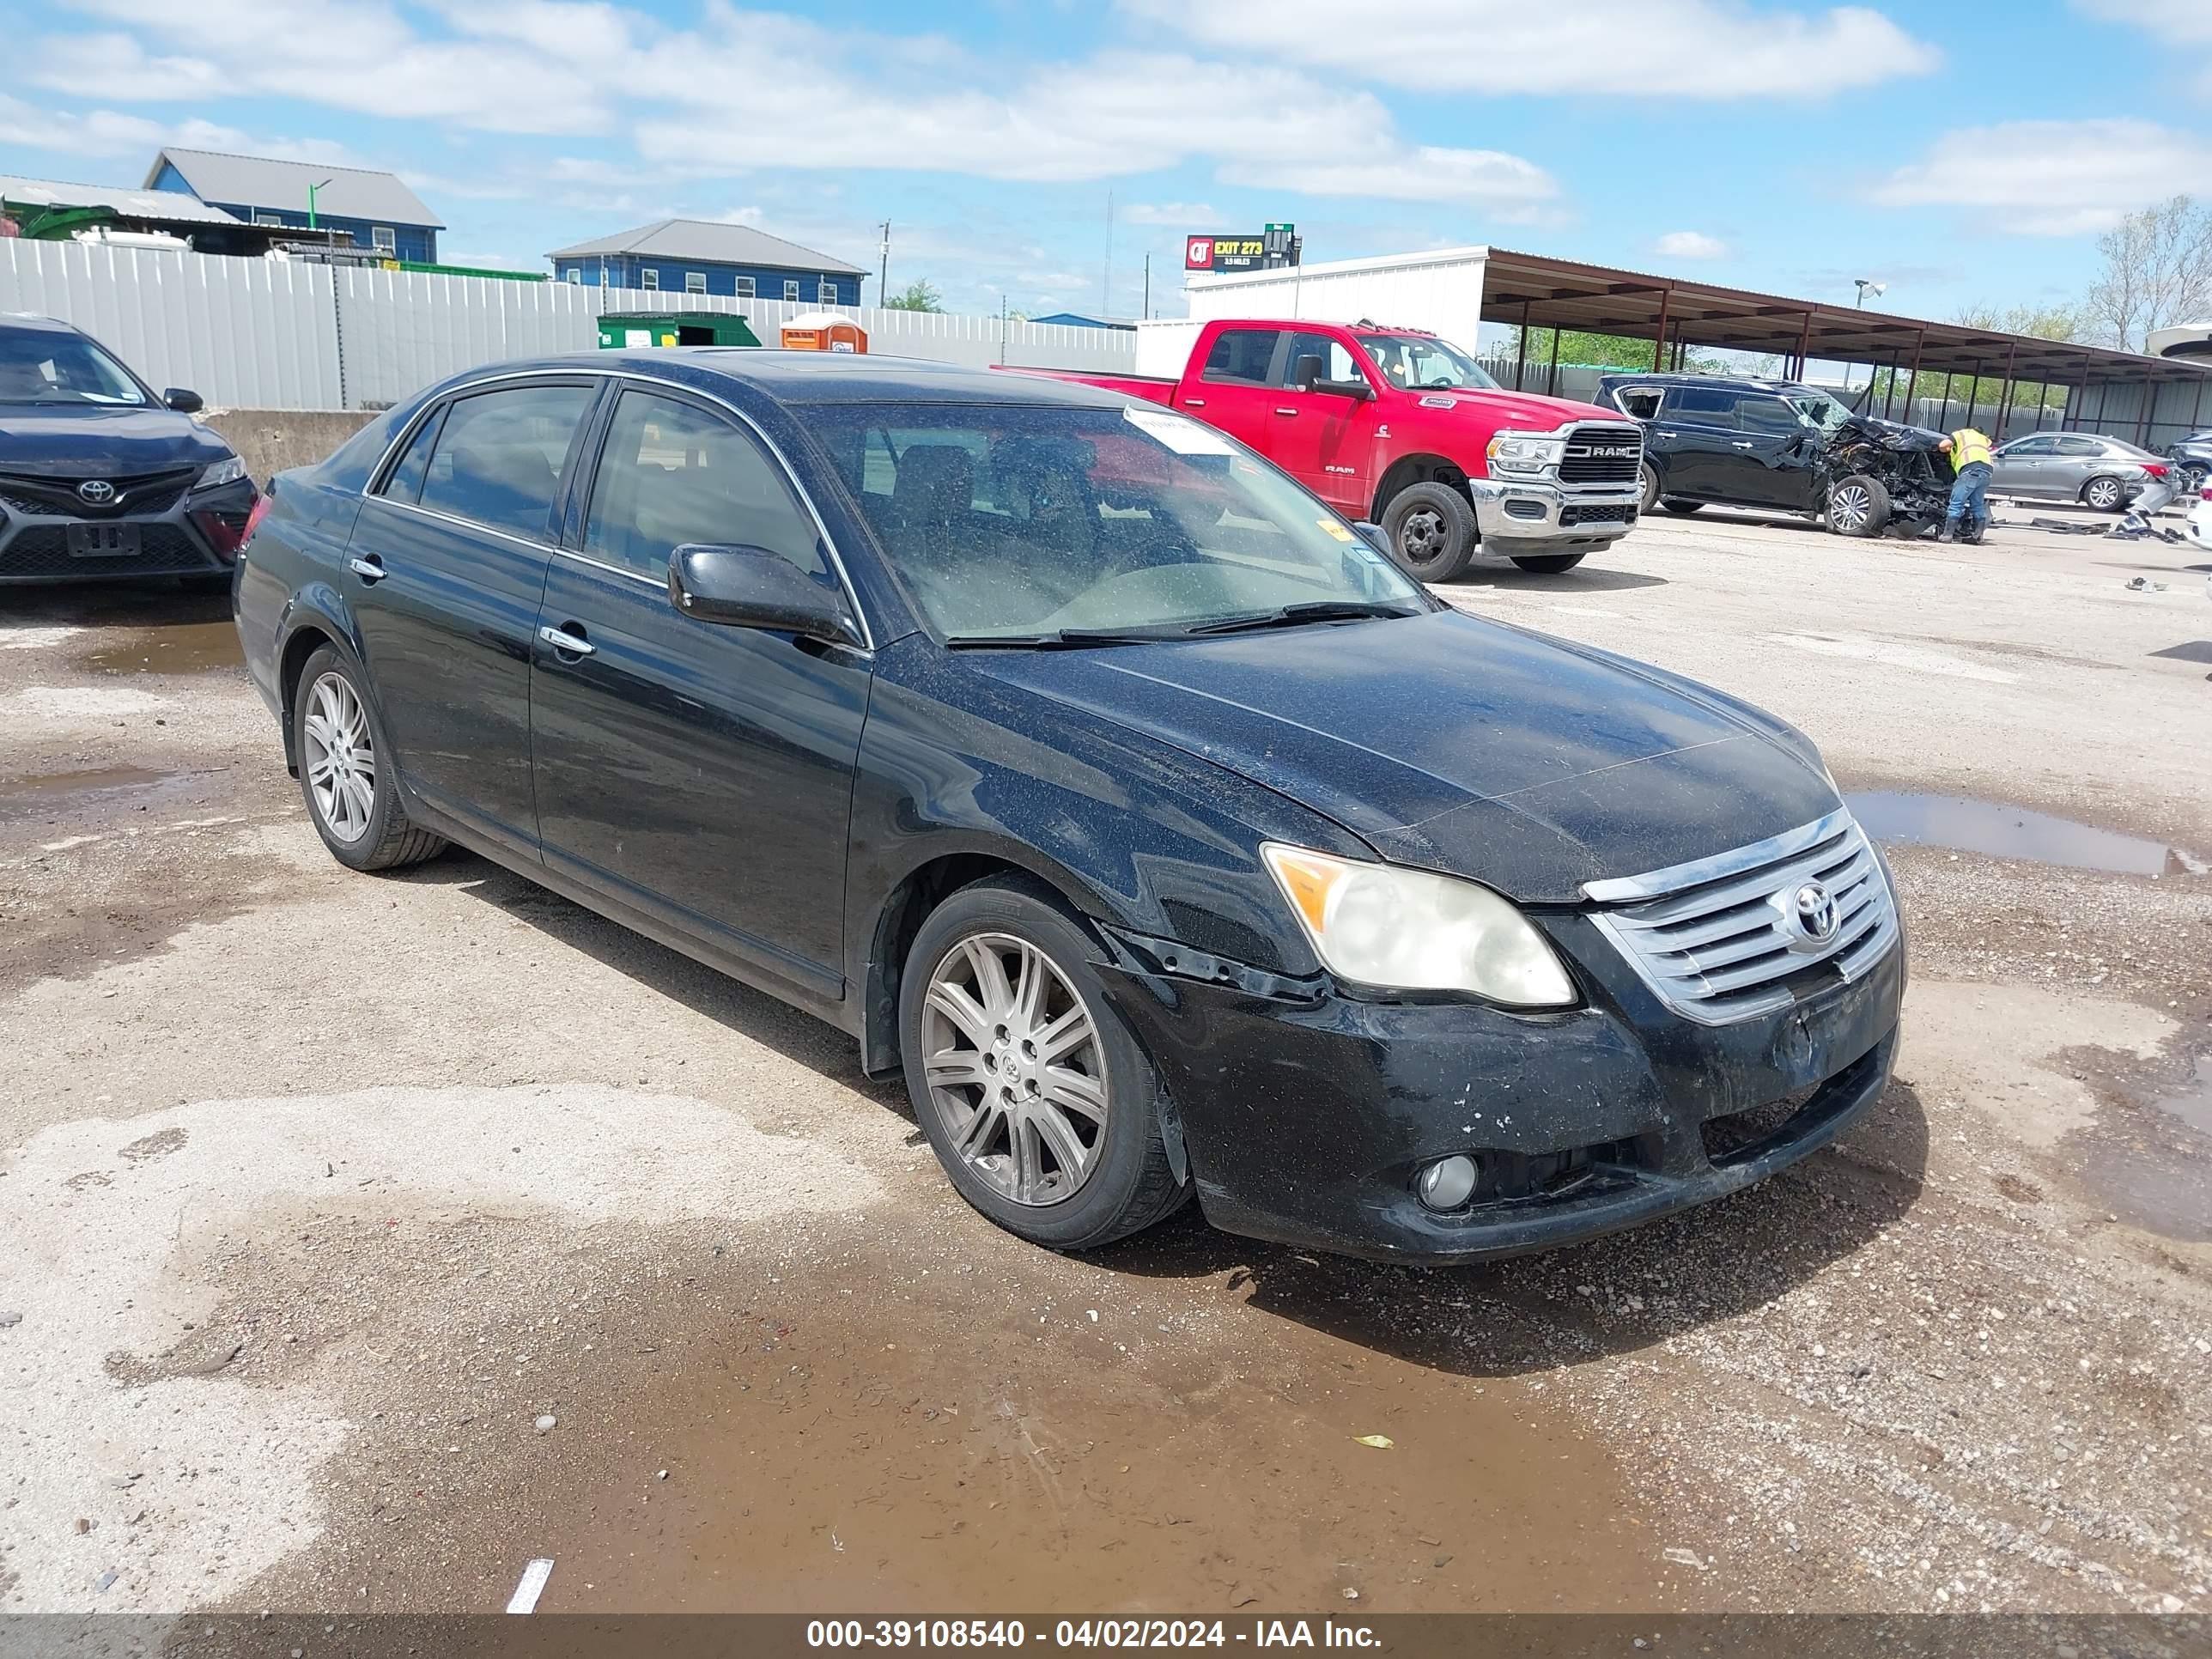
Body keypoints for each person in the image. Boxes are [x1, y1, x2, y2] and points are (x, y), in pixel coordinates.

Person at [1936, 426, 1993, 544]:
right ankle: (1978, 536)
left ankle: (1947, 535)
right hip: (1987, 471)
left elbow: (1942, 445)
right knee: (1977, 504)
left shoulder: (1961, 434)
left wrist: (1945, 451)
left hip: (1970, 470)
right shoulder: (1983, 439)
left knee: (1956, 503)